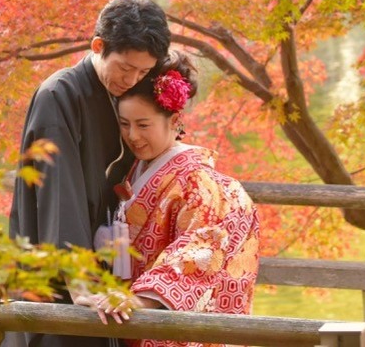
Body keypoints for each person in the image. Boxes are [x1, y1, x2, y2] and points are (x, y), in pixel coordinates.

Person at [6, 0, 171, 347]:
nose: (132, 79)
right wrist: (79, 285)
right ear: (98, 46)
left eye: (144, 72)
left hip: (102, 262)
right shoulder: (59, 95)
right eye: (126, 68)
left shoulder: (121, 94)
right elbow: (58, 193)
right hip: (58, 267)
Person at [78, 52, 260, 347]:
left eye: (143, 125)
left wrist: (142, 299)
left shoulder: (200, 183)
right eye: (124, 124)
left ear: (174, 121)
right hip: (126, 312)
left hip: (157, 313)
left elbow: (199, 248)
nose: (133, 136)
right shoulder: (132, 169)